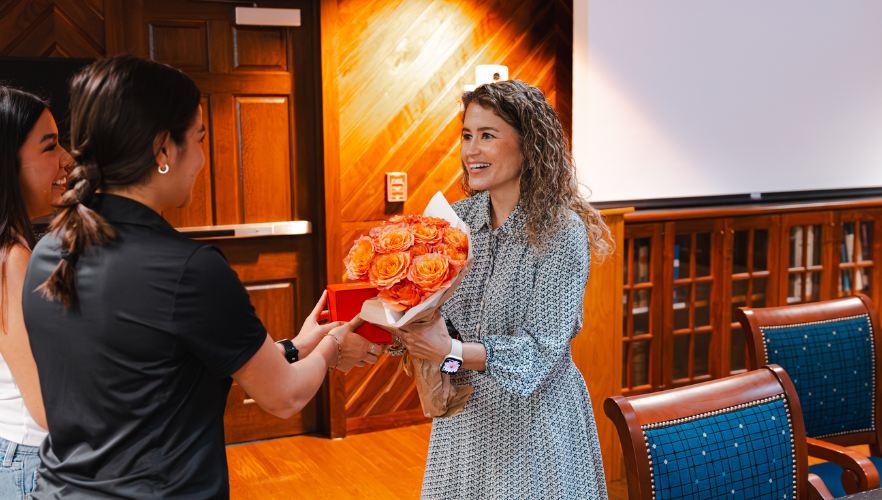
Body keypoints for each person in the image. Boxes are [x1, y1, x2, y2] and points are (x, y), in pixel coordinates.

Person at [21, 55, 377, 499]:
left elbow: (152, 373)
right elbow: (283, 397)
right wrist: (334, 346)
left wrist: (300, 346)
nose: (203, 158)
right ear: (164, 150)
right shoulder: (188, 269)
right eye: (199, 138)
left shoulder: (48, 251)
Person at [398, 79, 612, 499]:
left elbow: (539, 353)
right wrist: (399, 332)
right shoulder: (454, 220)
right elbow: (427, 314)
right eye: (466, 135)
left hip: (534, 426)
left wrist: (451, 352)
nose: (470, 150)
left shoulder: (561, 231)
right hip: (463, 419)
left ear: (529, 144)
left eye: (487, 136)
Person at [0, 85, 71, 500]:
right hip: (31, 456)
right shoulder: (12, 260)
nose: (65, 159)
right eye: (50, 147)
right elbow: (46, 406)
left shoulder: (16, 248)